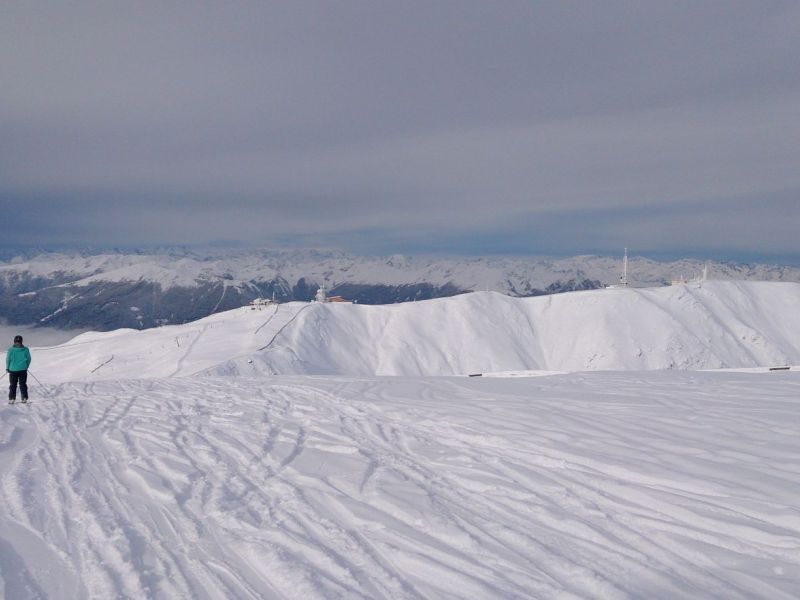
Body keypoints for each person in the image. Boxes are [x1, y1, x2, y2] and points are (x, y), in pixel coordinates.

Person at [6, 335, 31, 404]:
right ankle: (24, 398)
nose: (17, 343)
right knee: (23, 384)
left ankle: (11, 398)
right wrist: (26, 366)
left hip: (13, 370)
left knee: (13, 385)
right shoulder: (25, 349)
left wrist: (7, 367)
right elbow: (29, 359)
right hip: (23, 369)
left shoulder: (11, 349)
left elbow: (8, 359)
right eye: (17, 342)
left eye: (17, 342)